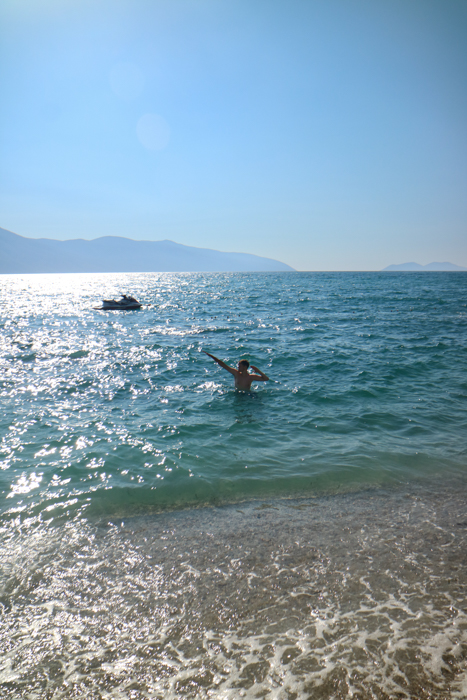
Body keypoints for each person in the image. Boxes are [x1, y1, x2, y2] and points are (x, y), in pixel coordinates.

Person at [203, 351, 269, 390]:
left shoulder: (251, 377)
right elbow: (223, 365)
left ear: (245, 367)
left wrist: (258, 371)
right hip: (238, 394)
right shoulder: (236, 373)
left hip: (248, 395)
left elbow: (266, 379)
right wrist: (211, 356)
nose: (238, 368)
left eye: (240, 366)